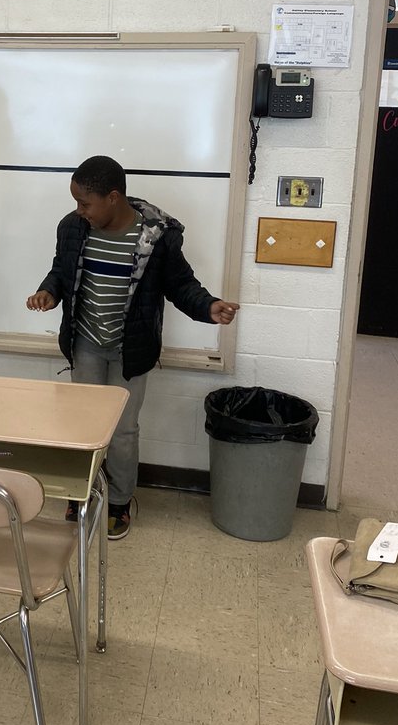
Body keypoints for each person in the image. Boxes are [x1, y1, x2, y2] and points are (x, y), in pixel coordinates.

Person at [26, 155, 239, 540]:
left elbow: (181, 285)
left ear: (112, 197)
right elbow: (61, 269)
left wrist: (209, 307)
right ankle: (82, 493)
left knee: (123, 431)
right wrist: (48, 292)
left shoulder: (156, 237)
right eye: (76, 202)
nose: (79, 210)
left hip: (131, 349)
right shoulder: (74, 228)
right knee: (84, 425)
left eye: (85, 203)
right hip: (86, 342)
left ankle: (120, 501)